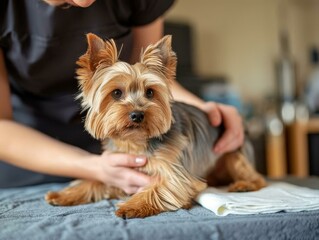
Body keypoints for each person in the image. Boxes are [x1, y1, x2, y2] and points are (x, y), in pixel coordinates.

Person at [0, 0, 244, 192]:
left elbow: (157, 81)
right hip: (26, 152)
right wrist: (91, 167)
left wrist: (206, 111)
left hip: (136, 150)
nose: (86, 2)